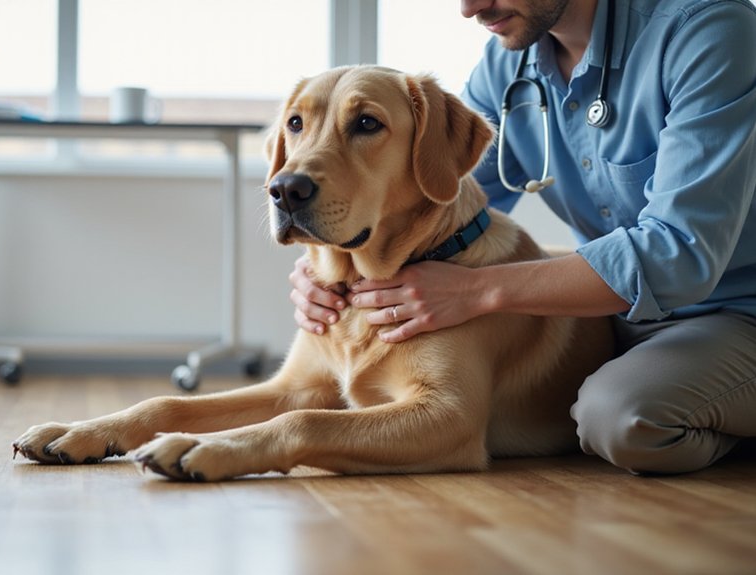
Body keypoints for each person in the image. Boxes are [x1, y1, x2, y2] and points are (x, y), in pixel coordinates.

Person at [288, 0, 756, 475]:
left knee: (620, 417)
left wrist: (478, 290)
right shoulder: (512, 59)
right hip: (617, 314)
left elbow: (679, 254)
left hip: (736, 312)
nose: (471, 8)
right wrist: (321, 264)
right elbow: (439, 202)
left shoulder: (707, 30)